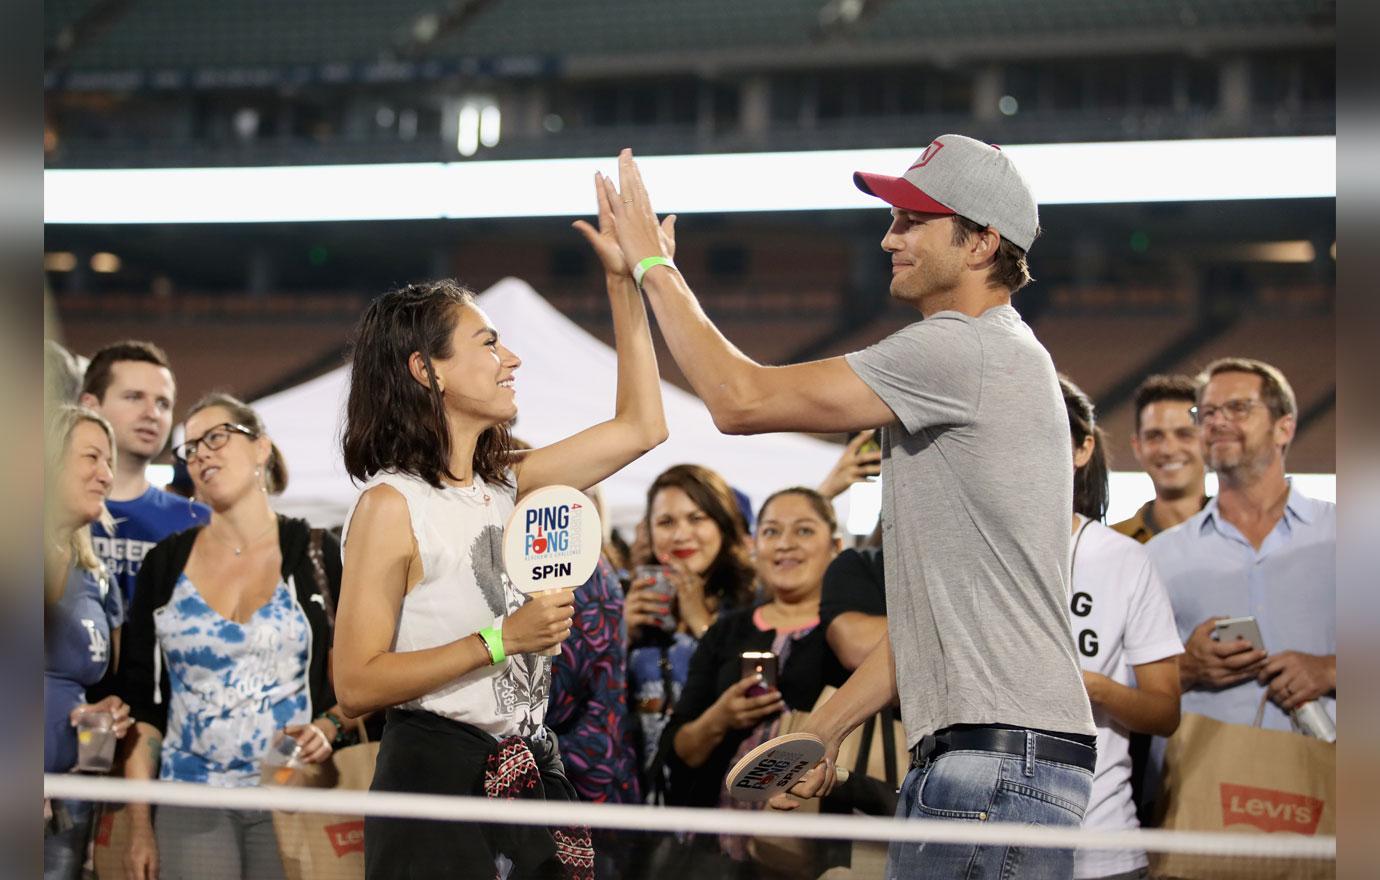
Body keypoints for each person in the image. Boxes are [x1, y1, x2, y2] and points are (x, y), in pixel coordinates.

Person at [606, 136, 1096, 878]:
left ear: (982, 242)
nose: (888, 236)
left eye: (912, 220)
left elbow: (739, 400)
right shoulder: (989, 358)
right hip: (997, 762)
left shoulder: (962, 350)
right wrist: (825, 730)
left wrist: (653, 266)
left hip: (993, 766)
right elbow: (936, 629)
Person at [331, 174, 668, 880]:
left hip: (522, 769)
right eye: (488, 344)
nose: (510, 359)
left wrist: (627, 283)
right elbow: (357, 684)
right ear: (428, 371)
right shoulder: (391, 506)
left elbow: (643, 426)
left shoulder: (508, 480)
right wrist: (499, 640)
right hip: (433, 781)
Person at [118, 393, 348, 880]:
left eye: (215, 437)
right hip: (190, 793)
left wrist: (328, 727)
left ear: (261, 448)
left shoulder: (315, 553)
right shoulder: (164, 564)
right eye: (189, 448)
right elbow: (143, 703)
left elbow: (364, 669)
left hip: (291, 791)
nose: (200, 453)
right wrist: (140, 825)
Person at [1146, 358, 1335, 734]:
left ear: (1285, 428)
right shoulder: (1158, 557)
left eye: (1238, 408)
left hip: (1332, 780)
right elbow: (1114, 678)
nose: (1217, 422)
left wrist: (1330, 670)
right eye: (1208, 412)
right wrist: (1185, 670)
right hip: (1205, 783)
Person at [662, 490, 844, 859]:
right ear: (754, 544)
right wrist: (719, 718)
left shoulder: (848, 636)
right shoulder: (725, 631)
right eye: (772, 532)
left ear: (835, 545)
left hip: (809, 852)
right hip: (711, 852)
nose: (785, 545)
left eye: (804, 531)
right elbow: (676, 749)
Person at [1059, 378, 1182, 880]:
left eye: (1047, 436)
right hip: (990, 838)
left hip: (1101, 843)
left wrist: (1095, 687)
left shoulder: (1124, 559)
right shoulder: (972, 552)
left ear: (1082, 447)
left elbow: (1164, 710)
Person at [625, 463, 756, 800]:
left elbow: (755, 694)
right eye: (666, 522)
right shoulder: (627, 599)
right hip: (633, 800)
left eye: (696, 519)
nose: (681, 534)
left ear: (723, 525)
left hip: (718, 796)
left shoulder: (753, 604)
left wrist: (703, 626)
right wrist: (618, 635)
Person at [43, 405, 135, 879]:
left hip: (70, 799)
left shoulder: (97, 577)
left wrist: (101, 711)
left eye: (110, 463)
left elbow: (93, 687)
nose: (106, 475)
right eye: (92, 458)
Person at [80, 341, 209, 607]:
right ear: (90, 406)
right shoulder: (48, 516)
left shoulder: (199, 524)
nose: (152, 413)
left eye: (163, 403)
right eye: (134, 397)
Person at [1112, 375, 1209, 543]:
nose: (1169, 449)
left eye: (1185, 434)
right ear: (1137, 446)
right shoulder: (1110, 545)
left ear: (1208, 440)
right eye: (1154, 436)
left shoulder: (1247, 535)